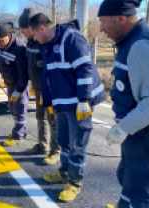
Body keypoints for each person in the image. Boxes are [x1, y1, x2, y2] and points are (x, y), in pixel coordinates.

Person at [97, 0, 149, 207]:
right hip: (138, 128)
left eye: (103, 22)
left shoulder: (140, 45)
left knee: (139, 190)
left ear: (120, 19)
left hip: (144, 130)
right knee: (126, 176)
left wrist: (124, 127)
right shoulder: (132, 40)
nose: (101, 28)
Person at [29, 13, 107, 202]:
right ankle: (64, 171)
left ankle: (75, 182)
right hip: (62, 101)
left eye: (34, 35)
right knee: (64, 140)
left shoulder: (71, 38)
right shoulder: (47, 44)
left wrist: (84, 100)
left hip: (79, 102)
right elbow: (51, 74)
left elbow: (85, 69)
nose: (34, 39)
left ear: (42, 28)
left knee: (77, 144)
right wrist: (48, 101)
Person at [18, 8, 60, 165]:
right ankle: (42, 145)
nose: (23, 33)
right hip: (38, 89)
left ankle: (55, 151)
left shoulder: (45, 42)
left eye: (23, 30)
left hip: (49, 91)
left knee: (53, 120)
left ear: (31, 27)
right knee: (40, 117)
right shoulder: (30, 42)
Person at [0, 23, 29, 147]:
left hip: (20, 84)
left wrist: (19, 90)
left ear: (9, 36)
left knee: (20, 108)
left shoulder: (19, 48)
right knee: (12, 109)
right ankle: (23, 130)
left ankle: (18, 136)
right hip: (9, 83)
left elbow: (24, 71)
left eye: (1, 40)